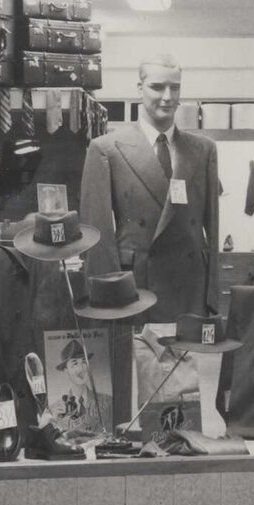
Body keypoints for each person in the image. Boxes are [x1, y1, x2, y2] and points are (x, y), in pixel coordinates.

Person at [79, 55, 221, 320]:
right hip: (135, 287)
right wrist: (106, 298)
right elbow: (96, 232)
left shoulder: (203, 150)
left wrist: (211, 298)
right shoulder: (107, 149)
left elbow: (212, 228)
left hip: (189, 288)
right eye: (157, 87)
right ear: (139, 89)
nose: (168, 97)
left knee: (187, 361)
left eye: (175, 88)